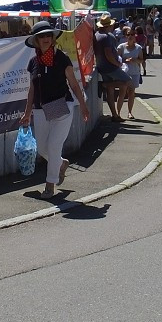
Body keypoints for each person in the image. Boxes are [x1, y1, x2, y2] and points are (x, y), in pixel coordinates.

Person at [20, 21, 90, 198]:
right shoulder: (33, 62)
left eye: (48, 35)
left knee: (53, 146)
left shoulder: (62, 58)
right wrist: (27, 112)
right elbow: (32, 90)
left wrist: (82, 105)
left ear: (52, 38)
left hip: (62, 106)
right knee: (42, 148)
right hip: (40, 109)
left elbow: (74, 84)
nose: (45, 38)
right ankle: (60, 163)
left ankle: (50, 184)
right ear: (36, 40)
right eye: (41, 36)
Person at [94, 13, 135, 120]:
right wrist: (117, 64)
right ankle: (104, 84)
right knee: (128, 82)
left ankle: (114, 115)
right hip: (110, 66)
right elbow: (108, 54)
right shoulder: (105, 37)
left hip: (101, 66)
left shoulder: (97, 35)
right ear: (108, 26)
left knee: (110, 92)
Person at [117, 26, 144, 118]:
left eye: (132, 34)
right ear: (125, 36)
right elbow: (117, 60)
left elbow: (141, 60)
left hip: (134, 72)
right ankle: (118, 113)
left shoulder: (138, 48)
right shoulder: (121, 47)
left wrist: (134, 60)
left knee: (131, 93)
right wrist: (124, 61)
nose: (131, 36)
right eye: (128, 34)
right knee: (122, 92)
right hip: (124, 73)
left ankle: (129, 112)